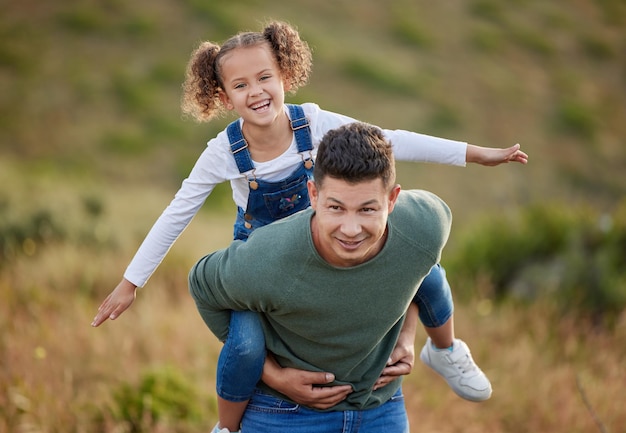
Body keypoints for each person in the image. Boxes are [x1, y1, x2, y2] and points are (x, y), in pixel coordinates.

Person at [91, 21, 528, 432]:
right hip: (262, 254)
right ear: (224, 97)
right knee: (244, 346)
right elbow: (177, 211)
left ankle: (446, 349)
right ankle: (226, 425)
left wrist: (477, 153)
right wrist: (131, 283)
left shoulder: (312, 122)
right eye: (240, 85)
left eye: (265, 77)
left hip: (327, 232)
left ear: (285, 74)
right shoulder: (224, 151)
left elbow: (390, 138)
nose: (256, 92)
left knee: (427, 268)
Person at [189, 121, 453, 432]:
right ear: (313, 195)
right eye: (336, 208)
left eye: (367, 210)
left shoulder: (426, 225)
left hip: (381, 409)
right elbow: (201, 284)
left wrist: (407, 336)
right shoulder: (268, 259)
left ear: (392, 200)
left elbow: (419, 270)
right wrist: (272, 374)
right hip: (284, 412)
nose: (351, 229)